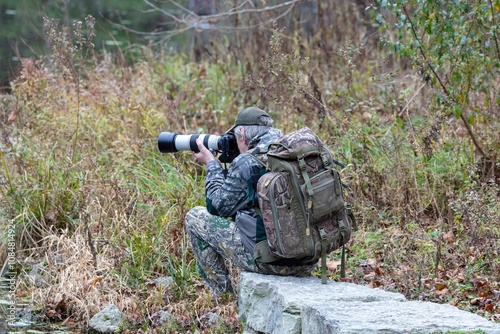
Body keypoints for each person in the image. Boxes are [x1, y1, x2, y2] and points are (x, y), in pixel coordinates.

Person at [185, 107, 316, 294]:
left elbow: (217, 206)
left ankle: (221, 295)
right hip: (308, 259)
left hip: (272, 262)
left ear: (243, 134)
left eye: (236, 139)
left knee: (194, 217)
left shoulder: (248, 161)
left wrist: (212, 164)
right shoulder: (293, 152)